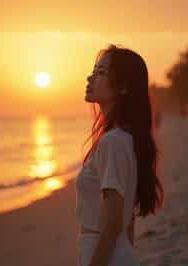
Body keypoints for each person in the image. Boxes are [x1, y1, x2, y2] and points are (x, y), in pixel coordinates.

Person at [75, 44, 164, 266]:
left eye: (101, 73)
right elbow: (128, 221)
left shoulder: (113, 142)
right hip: (115, 253)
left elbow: (114, 223)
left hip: (103, 253)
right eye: (94, 71)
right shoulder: (123, 138)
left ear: (123, 87)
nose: (90, 78)